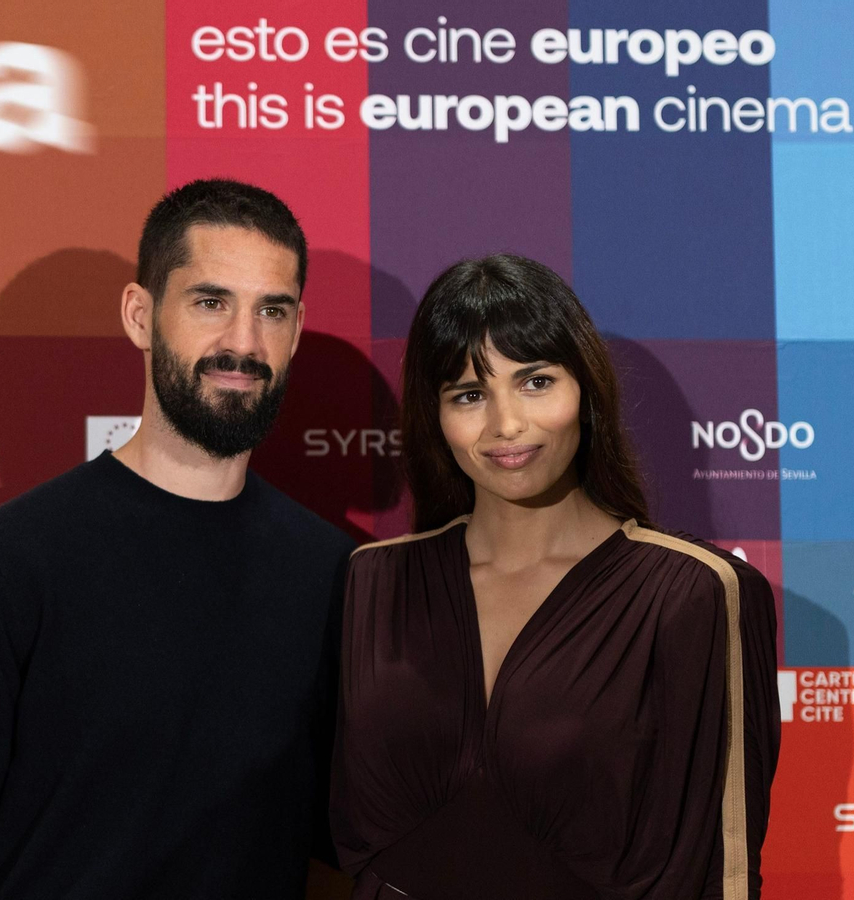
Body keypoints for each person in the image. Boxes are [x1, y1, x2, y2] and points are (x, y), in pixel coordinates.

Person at [0, 179, 355, 899]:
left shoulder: (336, 574)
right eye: (210, 302)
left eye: (272, 312)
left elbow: (361, 837)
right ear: (140, 315)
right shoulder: (10, 563)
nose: (243, 343)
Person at [331, 255, 780, 899]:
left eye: (536, 382)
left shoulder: (693, 592)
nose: (506, 424)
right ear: (436, 416)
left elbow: (720, 871)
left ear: (587, 391)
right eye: (469, 394)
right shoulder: (371, 582)